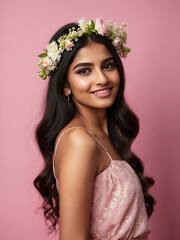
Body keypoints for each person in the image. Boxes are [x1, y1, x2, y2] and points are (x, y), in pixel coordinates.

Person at [34, 18, 155, 240]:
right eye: (84, 71)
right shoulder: (79, 141)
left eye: (107, 66)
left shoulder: (104, 137)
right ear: (64, 85)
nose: (101, 79)